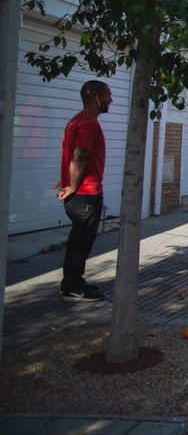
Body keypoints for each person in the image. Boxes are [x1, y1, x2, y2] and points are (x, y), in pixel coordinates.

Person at [55, 80, 112, 302]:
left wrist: (67, 181)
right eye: (108, 96)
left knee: (80, 241)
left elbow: (73, 157)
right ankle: (71, 287)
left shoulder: (76, 121)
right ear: (98, 99)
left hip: (80, 192)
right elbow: (80, 155)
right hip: (86, 194)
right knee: (80, 243)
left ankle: (74, 282)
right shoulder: (88, 123)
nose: (111, 100)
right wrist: (72, 185)